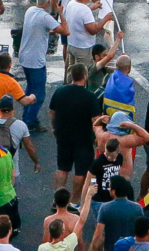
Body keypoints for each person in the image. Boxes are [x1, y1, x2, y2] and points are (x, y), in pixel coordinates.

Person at [50, 63, 101, 202]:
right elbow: (96, 120)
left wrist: (55, 128)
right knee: (81, 172)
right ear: (85, 76)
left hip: (63, 137)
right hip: (83, 140)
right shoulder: (90, 97)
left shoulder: (60, 91)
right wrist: (98, 138)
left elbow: (52, 112)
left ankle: (58, 199)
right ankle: (75, 201)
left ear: (71, 76)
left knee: (62, 168)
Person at [19, 0, 67, 130]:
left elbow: (43, 27)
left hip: (25, 57)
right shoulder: (45, 17)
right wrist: (60, 13)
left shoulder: (30, 11)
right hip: (35, 61)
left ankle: (26, 116)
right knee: (39, 93)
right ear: (48, 1)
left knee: (30, 88)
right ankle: (30, 121)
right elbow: (66, 31)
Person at [90, 176, 144, 251]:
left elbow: (98, 237)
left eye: (109, 188)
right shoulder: (138, 208)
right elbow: (142, 232)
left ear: (113, 191)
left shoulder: (105, 208)